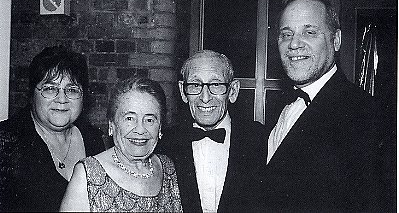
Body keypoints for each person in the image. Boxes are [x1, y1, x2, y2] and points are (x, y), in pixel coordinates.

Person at [255, 0, 382, 212]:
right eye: (286, 34)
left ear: (336, 40)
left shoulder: (366, 115)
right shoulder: (283, 107)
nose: (294, 44)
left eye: (309, 32)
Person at [156, 50, 267, 212]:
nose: (205, 97)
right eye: (195, 85)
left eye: (216, 85)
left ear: (233, 91)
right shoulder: (165, 144)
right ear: (183, 91)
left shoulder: (260, 140)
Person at [0, 45, 105, 211]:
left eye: (72, 89)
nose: (62, 99)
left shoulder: (94, 139)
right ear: (31, 93)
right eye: (50, 89)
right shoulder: (6, 142)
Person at [60, 76, 183, 212]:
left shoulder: (168, 167)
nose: (140, 130)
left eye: (149, 120)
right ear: (112, 125)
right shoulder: (88, 174)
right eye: (129, 118)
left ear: (160, 127)